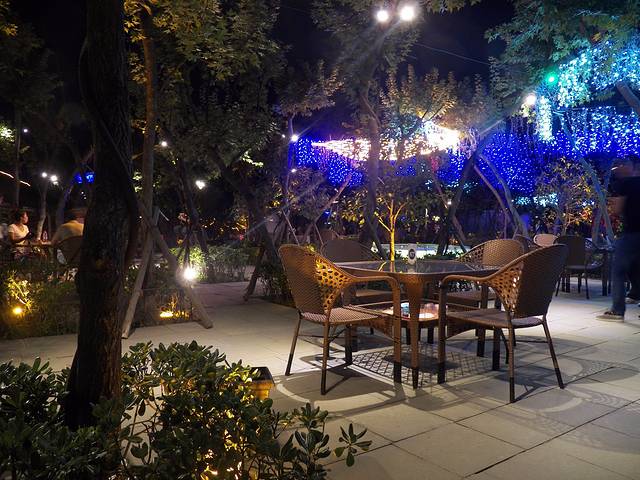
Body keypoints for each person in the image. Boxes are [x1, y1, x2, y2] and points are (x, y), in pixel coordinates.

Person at [599, 155, 640, 321]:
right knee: (636, 268)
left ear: (633, 167)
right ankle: (635, 294)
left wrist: (613, 202)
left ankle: (617, 309)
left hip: (632, 233)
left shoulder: (628, 184)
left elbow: (617, 209)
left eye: (624, 164)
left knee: (618, 271)